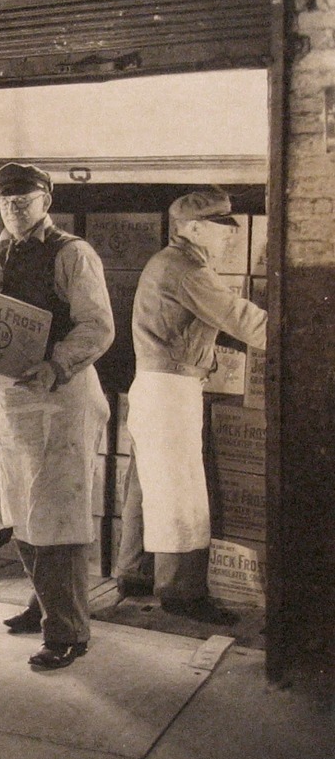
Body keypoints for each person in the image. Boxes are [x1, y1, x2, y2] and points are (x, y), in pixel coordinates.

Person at [0, 162, 114, 670]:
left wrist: (56, 365)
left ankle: (68, 631)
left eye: (26, 199)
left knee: (57, 514)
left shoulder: (72, 254)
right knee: (21, 507)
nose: (15, 207)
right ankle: (44, 605)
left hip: (62, 395)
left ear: (46, 202)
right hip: (15, 400)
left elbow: (98, 327)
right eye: (7, 200)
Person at [115, 189, 267, 624]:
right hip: (170, 390)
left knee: (147, 484)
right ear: (194, 228)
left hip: (154, 386)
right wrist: (301, 334)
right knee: (181, 492)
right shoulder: (186, 267)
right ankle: (182, 595)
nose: (229, 239)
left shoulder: (172, 262)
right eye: (223, 230)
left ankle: (136, 575)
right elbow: (239, 317)